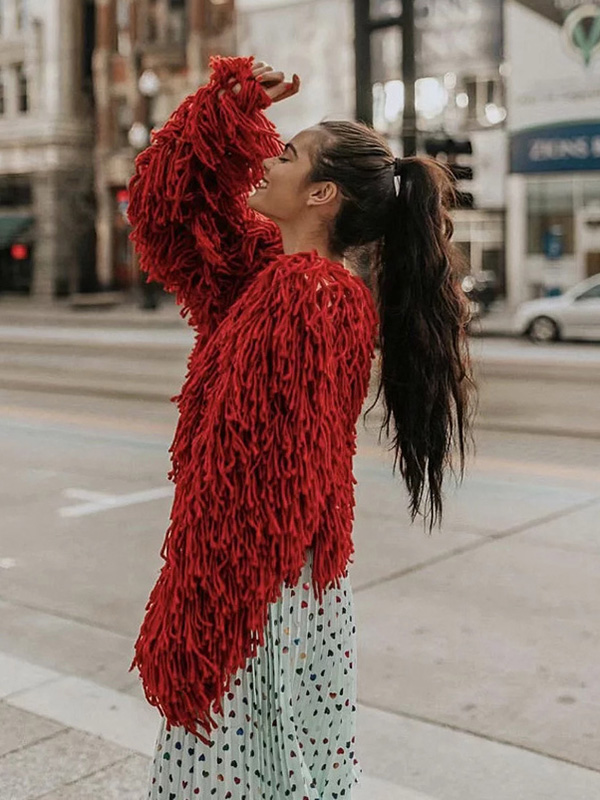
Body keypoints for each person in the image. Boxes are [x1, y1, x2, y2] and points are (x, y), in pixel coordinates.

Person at [127, 55, 475, 800]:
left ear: (321, 194)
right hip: (268, 592)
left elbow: (263, 484)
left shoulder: (309, 296)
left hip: (255, 600)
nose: (265, 157)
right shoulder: (276, 277)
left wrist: (205, 614)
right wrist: (223, 109)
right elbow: (165, 211)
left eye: (284, 154)